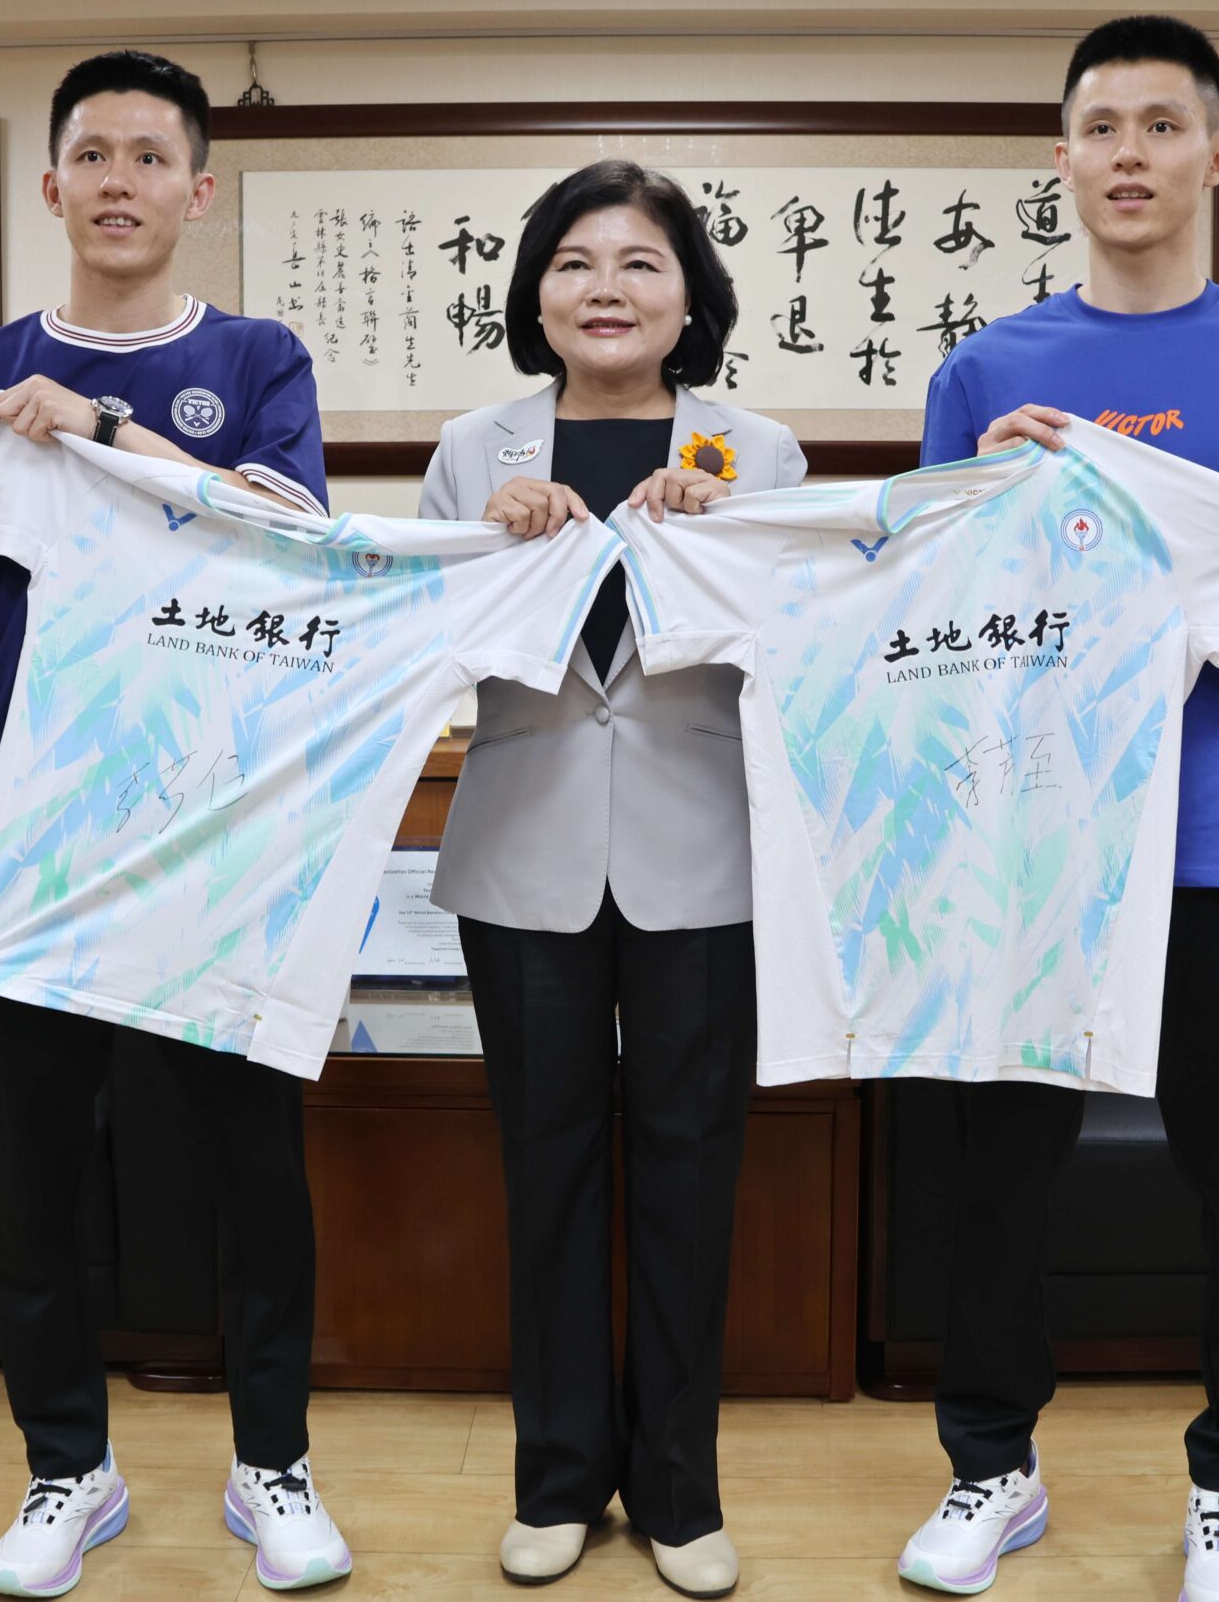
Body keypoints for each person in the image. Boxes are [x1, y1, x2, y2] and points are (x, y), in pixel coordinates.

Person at [894, 17, 1219, 1601]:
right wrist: (977, 492)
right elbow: (919, 604)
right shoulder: (990, 371)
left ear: (1216, 155)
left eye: (1162, 125)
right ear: (1063, 158)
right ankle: (992, 1464)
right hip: (1033, 834)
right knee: (997, 1170)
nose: (1131, 154)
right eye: (1103, 127)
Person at [0, 49, 347, 1598]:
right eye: (94, 154)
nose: (119, 180)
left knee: (252, 1169)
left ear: (199, 190)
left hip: (220, 837)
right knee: (33, 1179)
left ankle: (273, 1462)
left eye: (150, 156)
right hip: (32, 850)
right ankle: (68, 1466)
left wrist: (107, 430)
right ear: (52, 183)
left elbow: (289, 548)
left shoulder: (259, 359)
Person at [417, 159, 805, 1598]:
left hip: (705, 854)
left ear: (690, 297)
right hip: (523, 850)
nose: (606, 288)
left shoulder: (755, 452)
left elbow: (798, 651)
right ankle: (558, 1481)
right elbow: (429, 643)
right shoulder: (474, 450)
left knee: (694, 1176)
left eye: (641, 262)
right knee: (548, 1170)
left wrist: (714, 552)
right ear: (536, 294)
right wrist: (488, 555)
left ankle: (682, 1495)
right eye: (575, 262)